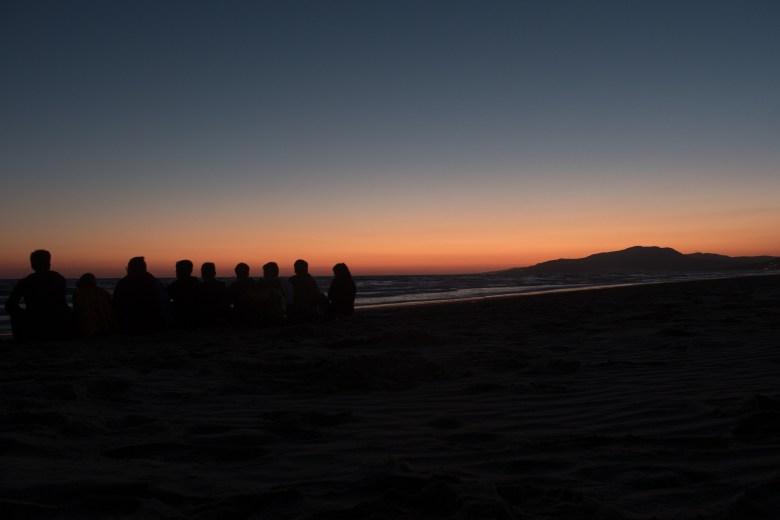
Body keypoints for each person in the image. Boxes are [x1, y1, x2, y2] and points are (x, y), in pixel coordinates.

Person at [4, 249, 72, 341]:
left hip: (35, 323)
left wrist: (24, 315)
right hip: (59, 323)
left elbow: (10, 305)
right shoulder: (59, 279)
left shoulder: (26, 282)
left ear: (33, 265)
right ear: (49, 264)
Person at [113, 256, 167, 334]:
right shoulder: (153, 282)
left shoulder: (123, 283)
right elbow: (163, 302)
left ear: (131, 268)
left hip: (129, 325)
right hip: (153, 324)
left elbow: (116, 303)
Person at [72, 273, 117, 337]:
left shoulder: (79, 294)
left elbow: (77, 311)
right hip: (105, 328)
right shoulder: (103, 292)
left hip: (86, 330)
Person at [167, 259, 200, 329]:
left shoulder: (175, 286)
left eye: (178, 270)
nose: (176, 272)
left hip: (181, 318)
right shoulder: (197, 283)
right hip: (196, 318)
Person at [198, 262, 228, 326]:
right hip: (219, 319)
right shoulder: (222, 286)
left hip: (204, 320)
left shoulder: (199, 287)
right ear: (214, 273)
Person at [229, 262, 258, 326]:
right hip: (253, 318)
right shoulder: (255, 285)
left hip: (239, 318)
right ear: (248, 273)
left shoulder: (234, 286)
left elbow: (230, 302)